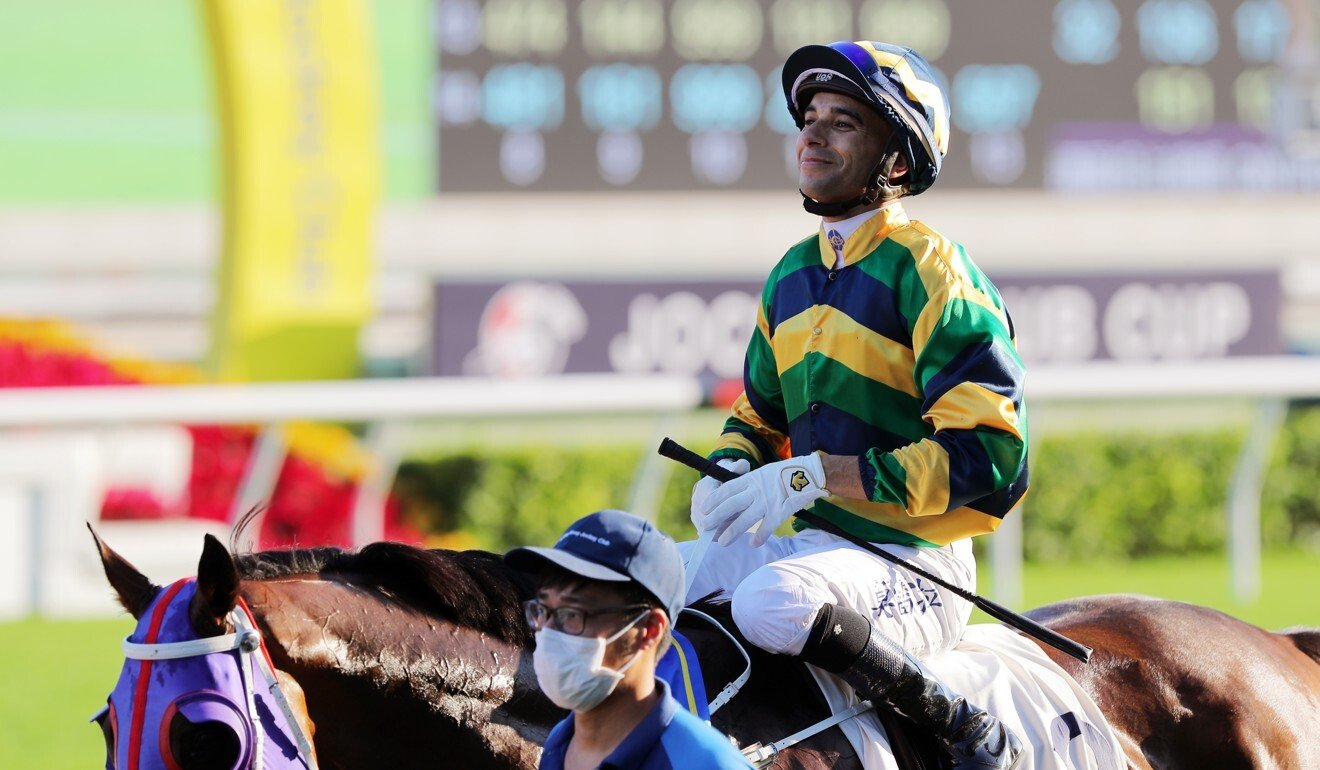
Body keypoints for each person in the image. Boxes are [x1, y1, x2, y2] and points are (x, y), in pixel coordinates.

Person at [686, 41, 1029, 770]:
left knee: (766, 606)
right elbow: (757, 418)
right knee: (646, 571)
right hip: (816, 553)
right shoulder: (791, 274)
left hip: (916, 563)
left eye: (843, 122)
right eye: (809, 117)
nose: (812, 134)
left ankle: (961, 724)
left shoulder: (933, 270)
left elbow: (990, 457)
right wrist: (726, 466)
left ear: (896, 161)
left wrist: (811, 477)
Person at [506, 509, 752, 770]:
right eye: (542, 610)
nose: (549, 632)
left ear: (649, 630)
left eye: (572, 614)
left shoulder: (703, 763)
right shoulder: (561, 743)